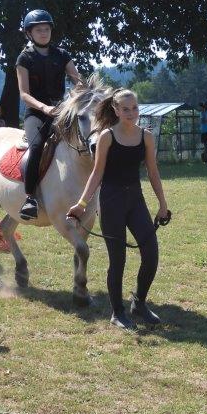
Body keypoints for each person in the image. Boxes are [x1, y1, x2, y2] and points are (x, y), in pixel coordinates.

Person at [67, 88, 169, 331]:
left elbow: (153, 173)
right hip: (111, 202)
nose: (131, 113)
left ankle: (139, 303)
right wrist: (81, 204)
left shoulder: (146, 136)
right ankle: (117, 313)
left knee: (151, 253)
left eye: (135, 108)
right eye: (125, 109)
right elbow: (96, 174)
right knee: (118, 260)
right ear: (116, 110)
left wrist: (163, 205)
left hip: (136, 200)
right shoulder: (107, 137)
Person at [16, 9, 81, 220]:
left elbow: (77, 80)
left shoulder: (62, 55)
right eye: (39, 30)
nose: (44, 33)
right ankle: (30, 198)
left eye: (46, 29)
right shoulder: (24, 58)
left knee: (86, 139)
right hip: (36, 113)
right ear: (29, 33)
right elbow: (24, 94)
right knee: (36, 147)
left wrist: (82, 93)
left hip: (61, 112)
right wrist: (44, 108)